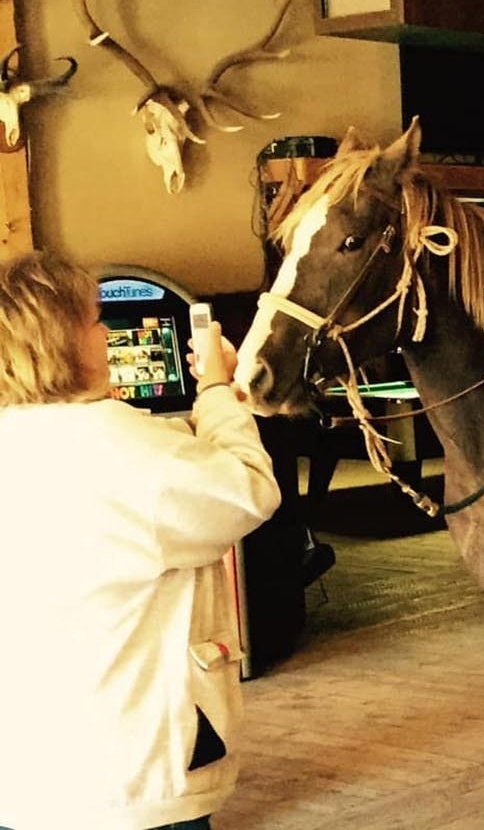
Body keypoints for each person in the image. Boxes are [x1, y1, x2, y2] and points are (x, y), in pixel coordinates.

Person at [0, 251, 281, 830]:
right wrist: (216, 389)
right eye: (96, 322)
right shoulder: (121, 450)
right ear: (61, 340)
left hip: (25, 772)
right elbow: (248, 490)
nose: (108, 336)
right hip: (130, 774)